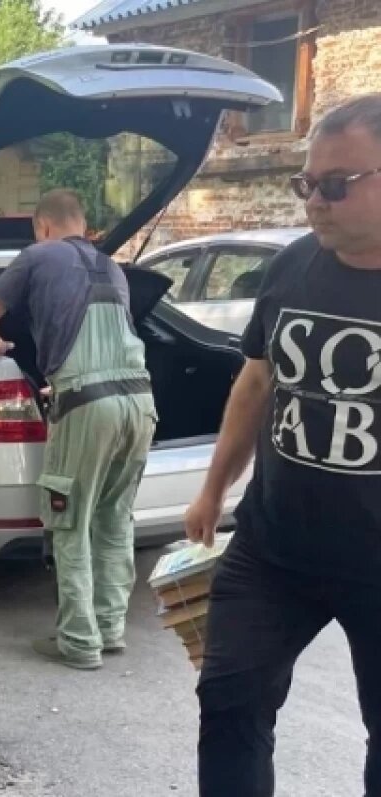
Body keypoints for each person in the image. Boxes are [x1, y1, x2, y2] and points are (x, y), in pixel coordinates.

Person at [184, 94, 381, 796]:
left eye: (336, 184)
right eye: (307, 183)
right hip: (274, 548)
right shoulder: (293, 266)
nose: (314, 202)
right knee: (229, 701)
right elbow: (255, 381)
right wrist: (213, 487)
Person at [0, 189, 157, 671]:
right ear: (84, 223)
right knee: (116, 517)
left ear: (43, 227)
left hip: (86, 405)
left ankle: (77, 641)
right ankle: (109, 629)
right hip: (140, 400)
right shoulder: (111, 266)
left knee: (70, 522)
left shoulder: (35, 255)